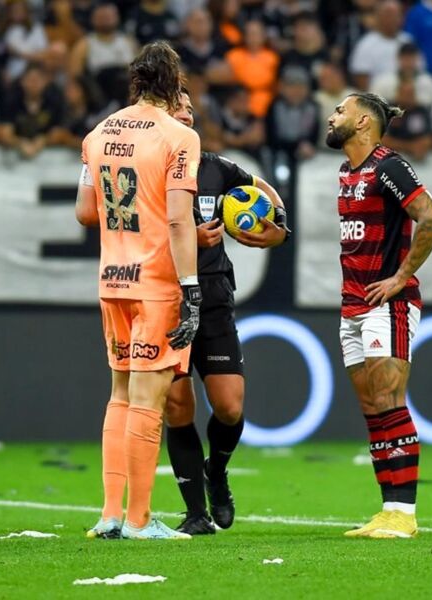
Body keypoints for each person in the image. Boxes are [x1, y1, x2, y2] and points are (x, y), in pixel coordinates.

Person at [75, 40, 201, 541]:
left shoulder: (97, 134)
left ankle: (110, 514)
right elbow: (177, 218)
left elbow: (85, 212)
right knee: (150, 400)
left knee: (120, 395)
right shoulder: (178, 136)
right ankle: (141, 521)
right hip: (156, 283)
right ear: (173, 83)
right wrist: (190, 286)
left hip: (113, 280)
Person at [163, 90, 290, 535]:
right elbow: (129, 233)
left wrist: (279, 227)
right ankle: (195, 513)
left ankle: (216, 471)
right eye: (176, 111)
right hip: (164, 297)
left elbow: (264, 192)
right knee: (178, 406)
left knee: (230, 407)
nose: (186, 116)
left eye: (190, 111)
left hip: (214, 296)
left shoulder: (217, 168)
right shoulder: (147, 172)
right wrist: (184, 239)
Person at [326, 92, 432, 539]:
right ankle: (386, 510)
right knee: (372, 407)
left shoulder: (388, 165)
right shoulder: (346, 171)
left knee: (390, 399)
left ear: (362, 122)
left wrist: (400, 278)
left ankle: (404, 513)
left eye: (340, 110)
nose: (331, 115)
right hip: (352, 306)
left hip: (387, 304)